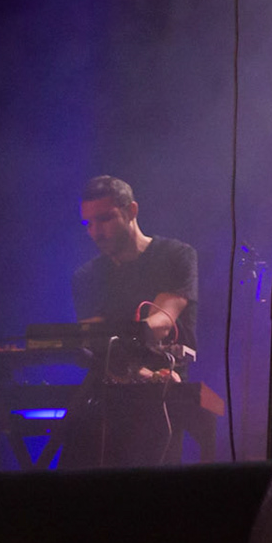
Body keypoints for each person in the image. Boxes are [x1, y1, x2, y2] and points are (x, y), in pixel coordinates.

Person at [67, 175, 199, 464]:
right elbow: (97, 346)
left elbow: (160, 325)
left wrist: (148, 373)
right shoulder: (86, 277)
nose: (95, 232)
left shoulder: (175, 256)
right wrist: (138, 373)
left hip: (165, 396)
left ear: (131, 211)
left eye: (104, 219)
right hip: (107, 396)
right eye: (88, 224)